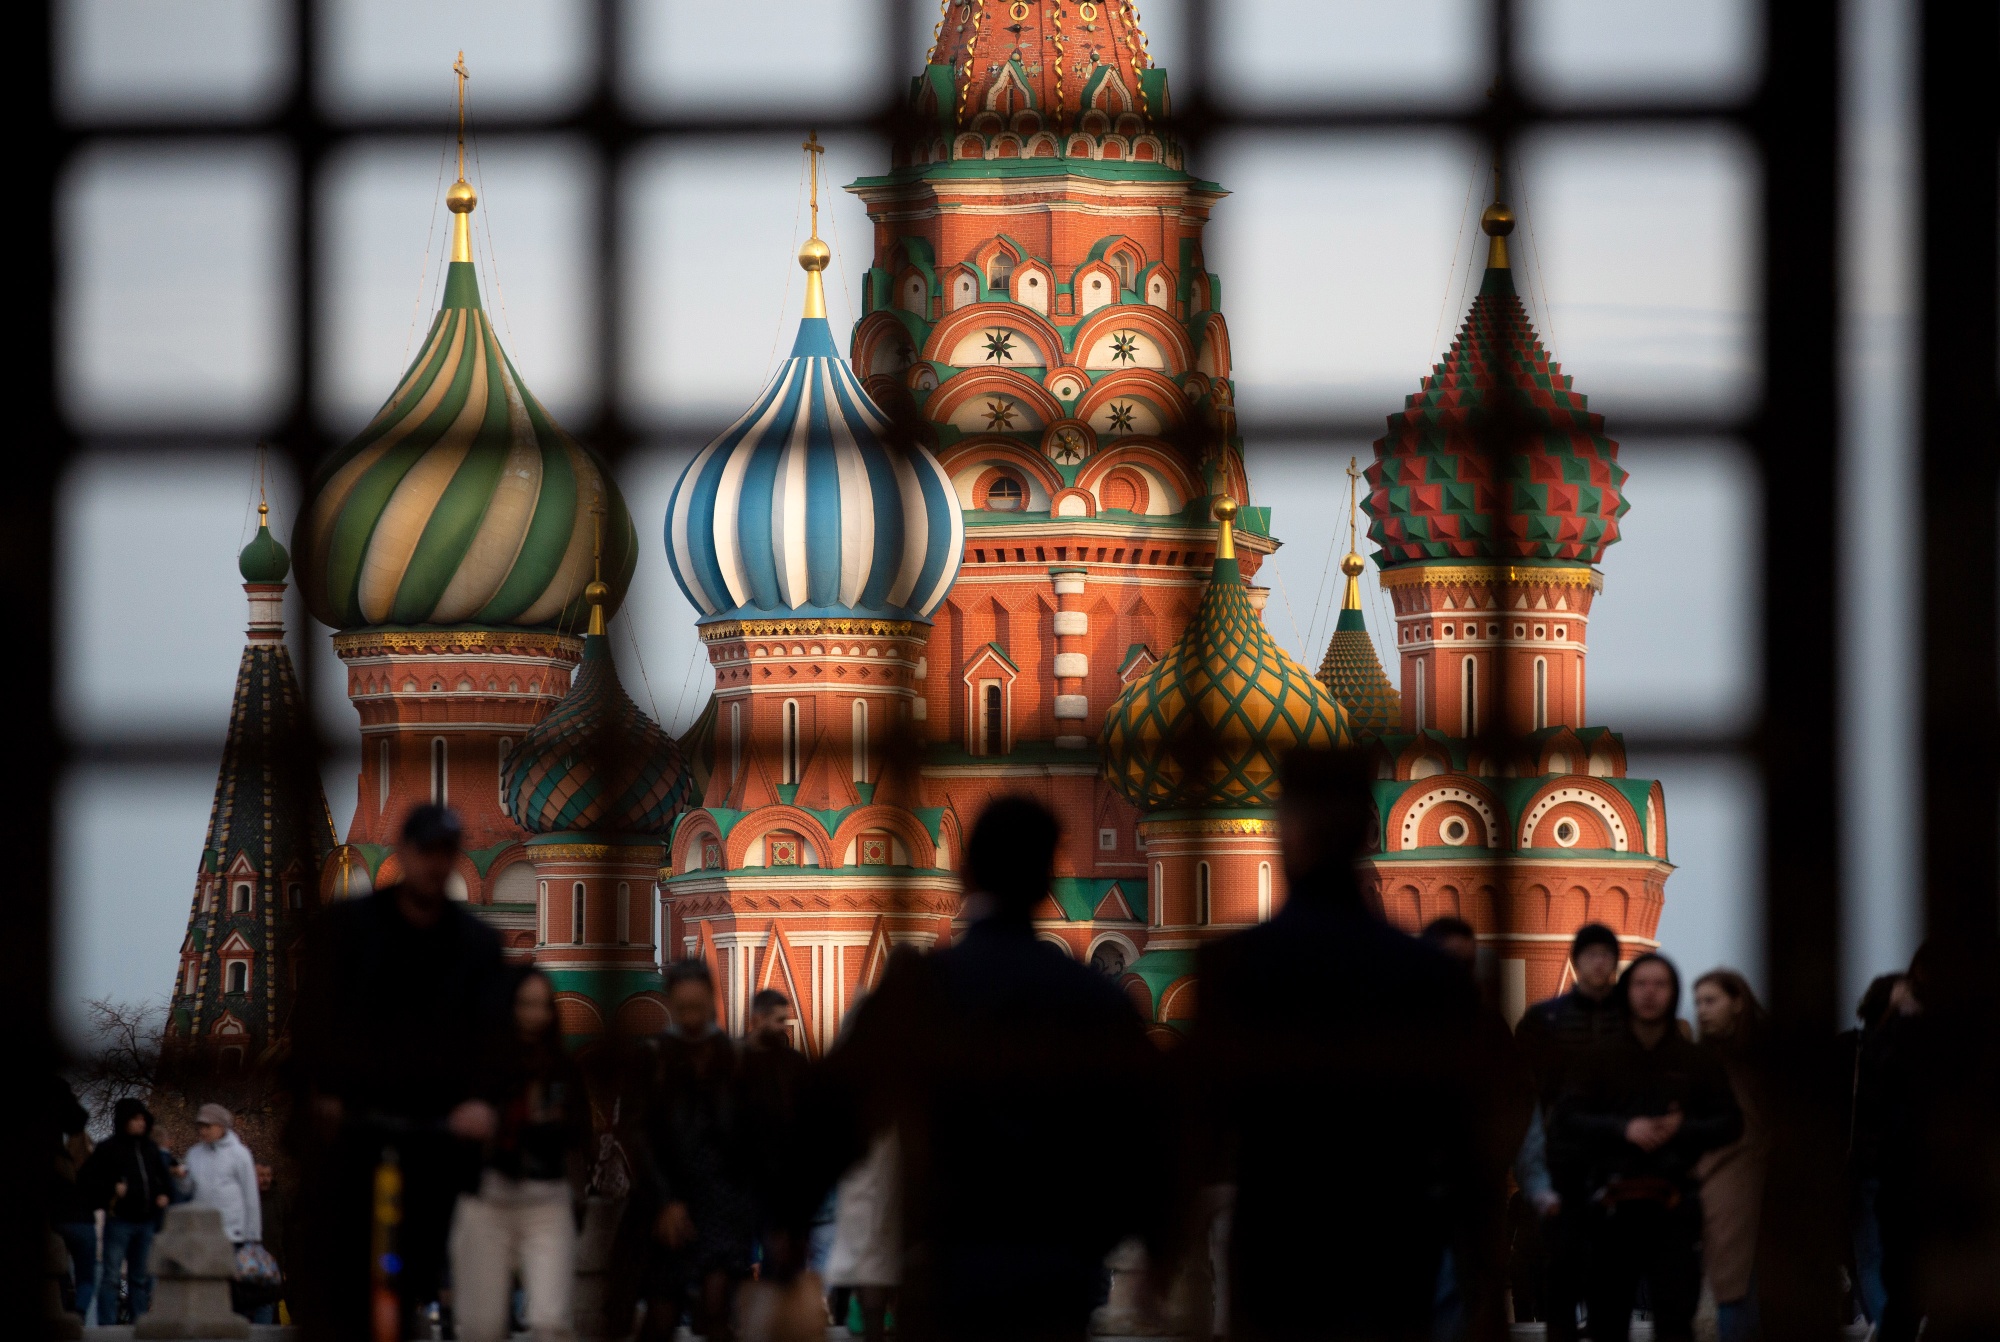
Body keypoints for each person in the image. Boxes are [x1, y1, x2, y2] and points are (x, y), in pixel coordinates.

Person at [796, 795, 1170, 1342]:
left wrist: (788, 1223)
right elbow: (1150, 1138)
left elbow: (829, 1116)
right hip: (1055, 1284)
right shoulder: (1095, 1002)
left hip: (947, 1279)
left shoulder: (918, 994)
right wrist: (1150, 1248)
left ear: (965, 874)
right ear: (1047, 884)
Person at [1188, 750, 1516, 1342]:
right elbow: (1471, 1151)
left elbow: (1196, 1130)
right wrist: (1486, 1285)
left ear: (1284, 829)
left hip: (1276, 1259)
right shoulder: (1432, 977)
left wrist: (1164, 1264)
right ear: (1370, 832)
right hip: (1390, 1259)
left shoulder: (1234, 968)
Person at [288, 804, 510, 1341]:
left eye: (445, 854)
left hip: (435, 1129)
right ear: (403, 854)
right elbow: (313, 1029)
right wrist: (323, 1095)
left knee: (417, 1263)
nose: (435, 866)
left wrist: (481, 1103)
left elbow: (494, 1040)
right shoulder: (348, 930)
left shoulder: (477, 945)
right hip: (353, 1125)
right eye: (425, 852)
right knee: (337, 1265)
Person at [1556, 953, 1741, 1342]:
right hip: (1611, 1205)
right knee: (1608, 1322)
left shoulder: (1696, 1061)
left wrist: (1682, 1130)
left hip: (1674, 1204)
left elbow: (1731, 1123)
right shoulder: (1599, 1058)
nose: (1650, 993)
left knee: (1675, 1322)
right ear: (1626, 991)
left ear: (1673, 992)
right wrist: (1624, 1129)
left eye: (1660, 984)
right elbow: (1566, 1119)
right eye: (1641, 984)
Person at [450, 968, 592, 1342]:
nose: (535, 1016)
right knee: (480, 1326)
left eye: (543, 1006)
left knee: (552, 1323)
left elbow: (580, 1135)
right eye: (526, 1005)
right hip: (488, 1199)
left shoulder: (562, 1069)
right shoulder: (481, 1065)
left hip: (547, 1199)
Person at [627, 958, 757, 1342]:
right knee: (662, 1312)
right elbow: (638, 1135)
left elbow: (749, 1133)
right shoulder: (654, 1058)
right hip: (669, 1199)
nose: (692, 1018)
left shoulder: (732, 1057)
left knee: (717, 1311)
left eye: (698, 1008)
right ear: (670, 1006)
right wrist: (664, 1200)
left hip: (722, 1200)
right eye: (683, 1009)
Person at [1513, 922, 1627, 1342]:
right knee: (1559, 1276)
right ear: (1576, 961)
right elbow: (1522, 1099)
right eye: (1590, 954)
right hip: (1559, 1166)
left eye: (1606, 955)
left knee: (1610, 1284)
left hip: (1616, 1168)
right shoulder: (1545, 1020)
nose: (1599, 963)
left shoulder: (1633, 1021)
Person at [1690, 970, 1769, 1342]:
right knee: (1734, 1291)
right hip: (1723, 1187)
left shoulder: (1762, 1055)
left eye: (1711, 1000)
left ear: (1737, 1002)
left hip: (1761, 1185)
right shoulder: (1702, 1060)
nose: (1702, 1010)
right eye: (1698, 1002)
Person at [80, 1097, 175, 1325]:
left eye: (143, 1119)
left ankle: (139, 1325)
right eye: (135, 1119)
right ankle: (107, 1326)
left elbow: (164, 1178)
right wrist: (111, 1191)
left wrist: (163, 1195)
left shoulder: (150, 1149)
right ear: (124, 1121)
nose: (141, 1123)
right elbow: (86, 1181)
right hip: (119, 1220)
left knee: (139, 1278)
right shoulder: (108, 1149)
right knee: (112, 1277)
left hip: (146, 1222)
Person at [1843, 972, 1903, 1326]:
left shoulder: (1853, 1048)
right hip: (1872, 1170)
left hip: (1876, 1169)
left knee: (1870, 1258)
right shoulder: (1858, 1050)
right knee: (1873, 1257)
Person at [184, 1102, 265, 1318]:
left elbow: (250, 1197)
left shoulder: (240, 1154)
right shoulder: (194, 1154)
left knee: (234, 1288)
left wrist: (253, 1237)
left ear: (221, 1126)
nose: (202, 1130)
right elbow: (187, 1190)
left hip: (233, 1233)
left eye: (207, 1126)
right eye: (200, 1126)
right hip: (202, 1233)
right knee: (206, 1286)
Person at [46, 1076, 99, 1321]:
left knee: (57, 1270)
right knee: (86, 1277)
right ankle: (77, 1313)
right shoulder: (89, 1164)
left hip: (58, 1219)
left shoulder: (57, 1164)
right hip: (85, 1222)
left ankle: (62, 1307)